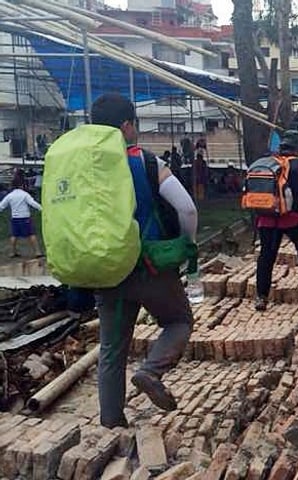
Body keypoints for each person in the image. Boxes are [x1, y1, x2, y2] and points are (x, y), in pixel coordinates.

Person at [90, 93, 198, 429]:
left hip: (105, 270)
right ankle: (150, 372)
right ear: (126, 126)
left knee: (111, 349)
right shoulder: (146, 162)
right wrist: (187, 246)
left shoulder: (84, 166)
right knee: (179, 321)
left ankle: (111, 424)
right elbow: (187, 208)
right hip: (148, 266)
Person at [254, 130, 298, 311]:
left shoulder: (266, 163)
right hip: (291, 218)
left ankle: (261, 296)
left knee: (266, 257)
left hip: (266, 218)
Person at [0, 177, 43, 258]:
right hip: (25, 217)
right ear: (21, 185)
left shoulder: (10, 195)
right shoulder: (24, 194)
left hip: (15, 218)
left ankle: (13, 252)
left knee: (14, 235)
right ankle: (38, 252)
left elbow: (1, 206)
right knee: (31, 234)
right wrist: (42, 209)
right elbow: (33, 203)